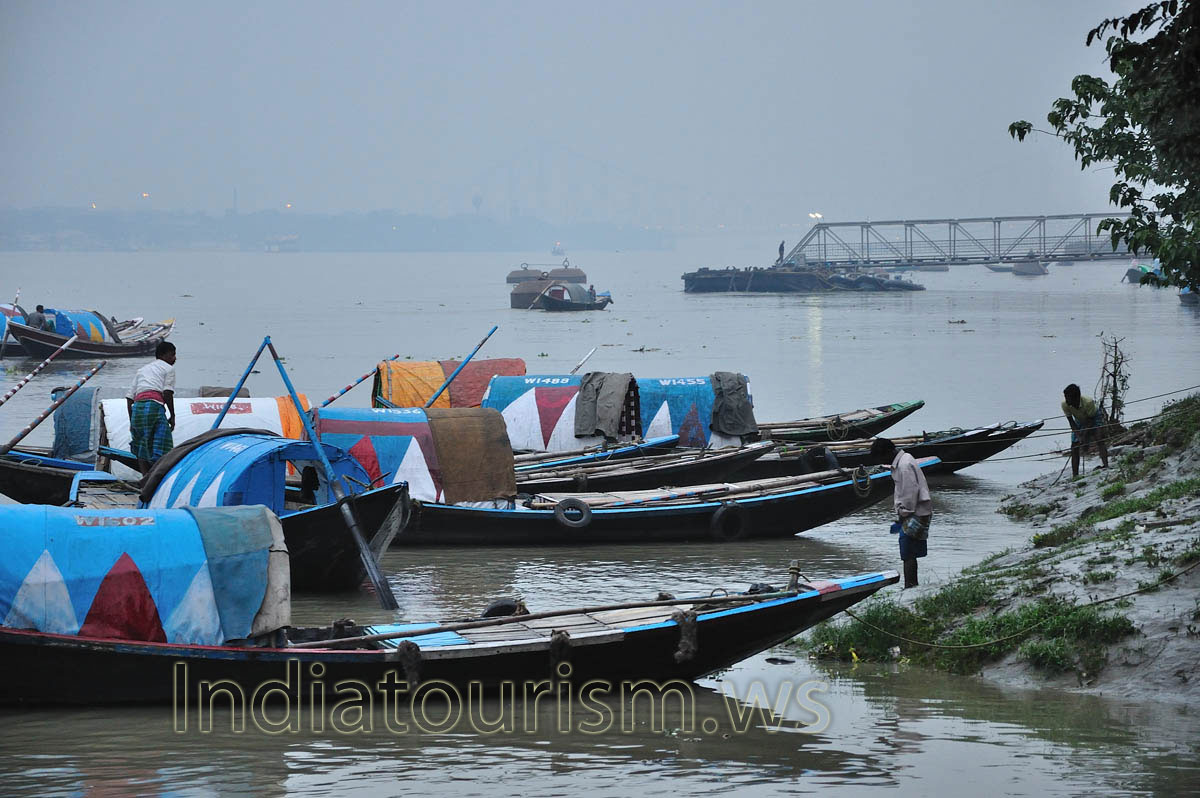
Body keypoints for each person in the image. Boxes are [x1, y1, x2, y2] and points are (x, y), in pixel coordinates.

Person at [871, 437, 932, 589]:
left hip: (914, 512)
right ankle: (913, 584)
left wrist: (903, 514)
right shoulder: (906, 458)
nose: (883, 461)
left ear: (889, 452)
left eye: (882, 457)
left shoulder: (904, 466)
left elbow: (909, 493)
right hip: (917, 511)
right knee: (910, 550)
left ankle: (910, 586)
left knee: (907, 551)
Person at [126, 341, 177, 475]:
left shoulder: (142, 370)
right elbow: (167, 393)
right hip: (153, 405)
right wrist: (173, 415)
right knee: (162, 444)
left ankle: (145, 478)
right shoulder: (168, 368)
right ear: (164, 355)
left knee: (142, 444)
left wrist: (132, 419)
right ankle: (156, 477)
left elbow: (129, 398)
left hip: (138, 407)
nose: (175, 359)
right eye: (173, 355)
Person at [1061, 383, 1109, 477]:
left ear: (1076, 398)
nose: (1067, 400)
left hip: (1094, 418)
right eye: (1065, 397)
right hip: (1079, 420)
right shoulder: (1065, 405)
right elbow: (1071, 422)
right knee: (1074, 446)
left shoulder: (1088, 402)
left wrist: (1084, 436)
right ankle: (1075, 475)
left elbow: (1090, 421)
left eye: (1068, 398)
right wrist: (1079, 435)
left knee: (1099, 438)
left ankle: (1106, 465)